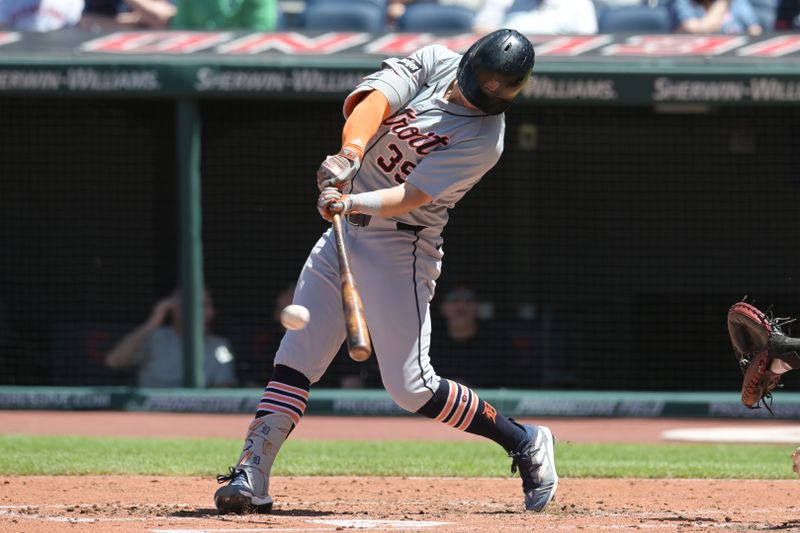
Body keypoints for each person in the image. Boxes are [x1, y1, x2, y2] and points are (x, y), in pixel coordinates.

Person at [214, 29, 557, 516]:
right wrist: (350, 156)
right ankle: (252, 473)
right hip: (344, 232)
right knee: (297, 355)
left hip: (402, 242)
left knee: (411, 387)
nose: (480, 99)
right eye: (479, 85)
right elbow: (372, 101)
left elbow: (413, 196)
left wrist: (351, 197)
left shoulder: (485, 139)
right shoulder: (437, 61)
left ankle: (523, 439)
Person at [105, 288, 238, 388]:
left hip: (198, 417)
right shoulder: (154, 338)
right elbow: (114, 361)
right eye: (203, 306)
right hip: (150, 416)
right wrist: (152, 323)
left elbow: (225, 386)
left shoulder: (222, 347)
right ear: (178, 310)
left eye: (210, 306)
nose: (211, 313)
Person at [433, 284, 513, 388]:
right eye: (454, 299)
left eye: (468, 299)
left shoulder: (497, 342)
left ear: (477, 306)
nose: (461, 305)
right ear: (443, 307)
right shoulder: (430, 343)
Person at [473, 0, 598, 35]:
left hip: (555, 70)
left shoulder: (579, 3)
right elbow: (479, 31)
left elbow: (588, 42)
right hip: (504, 69)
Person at [671, 0, 763, 35]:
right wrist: (723, 2)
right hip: (695, 60)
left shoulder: (737, 2)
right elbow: (695, 28)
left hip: (733, 58)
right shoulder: (685, 2)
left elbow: (755, 30)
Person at [0, 0, 85, 31]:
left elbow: (75, 29)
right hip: (18, 53)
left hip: (57, 51)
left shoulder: (72, 1)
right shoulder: (6, 1)